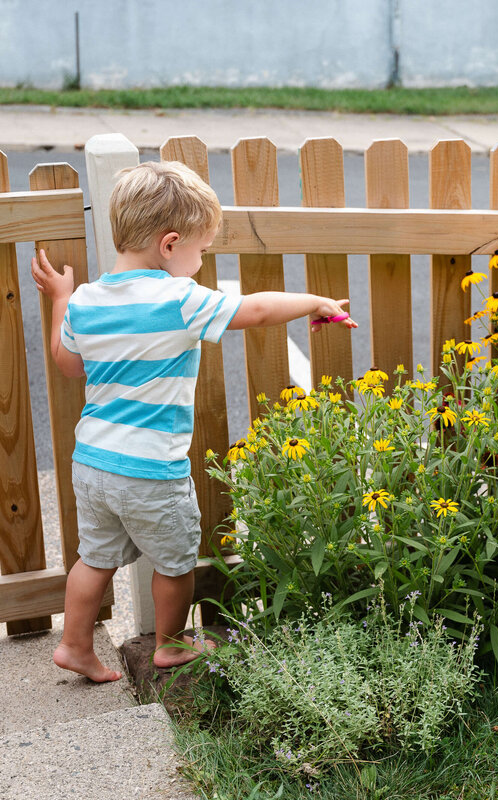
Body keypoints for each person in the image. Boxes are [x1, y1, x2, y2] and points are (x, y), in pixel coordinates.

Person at [32, 160, 357, 682]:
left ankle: (74, 645)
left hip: (91, 463)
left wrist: (61, 300)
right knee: (176, 563)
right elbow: (250, 310)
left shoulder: (87, 300)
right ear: (170, 243)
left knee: (93, 560)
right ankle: (170, 645)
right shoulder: (177, 297)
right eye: (201, 251)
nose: (202, 263)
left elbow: (69, 364)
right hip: (151, 470)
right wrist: (313, 301)